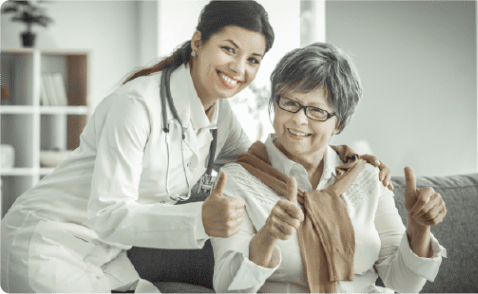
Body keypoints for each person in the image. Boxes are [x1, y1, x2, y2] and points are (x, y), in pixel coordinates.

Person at [0, 2, 389, 293]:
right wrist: (201, 221)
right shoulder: (135, 106)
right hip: (49, 241)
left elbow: (265, 158)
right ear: (198, 42)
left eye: (253, 59)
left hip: (103, 255)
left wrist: (349, 161)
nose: (240, 68)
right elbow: (107, 215)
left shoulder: (222, 115)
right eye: (230, 50)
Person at [210, 42, 447, 293]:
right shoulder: (236, 179)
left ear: (339, 124)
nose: (299, 119)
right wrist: (267, 237)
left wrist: (419, 227)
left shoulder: (365, 176)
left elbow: (404, 284)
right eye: (289, 103)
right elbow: (227, 287)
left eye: (316, 111)